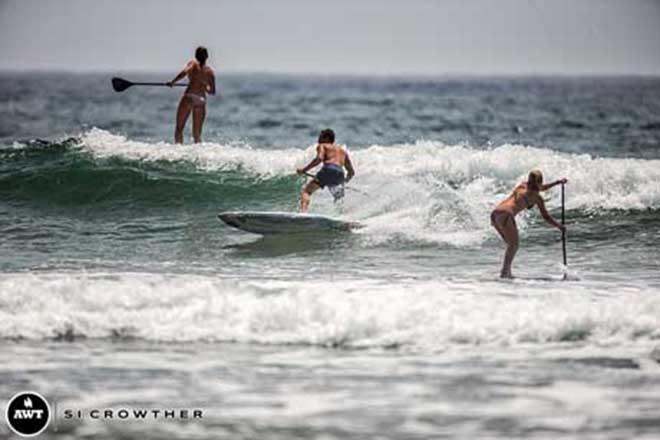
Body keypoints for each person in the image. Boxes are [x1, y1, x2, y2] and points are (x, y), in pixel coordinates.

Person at [491, 170, 567, 278]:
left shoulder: (522, 186)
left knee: (510, 244)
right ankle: (505, 272)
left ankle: (506, 271)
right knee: (514, 245)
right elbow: (546, 217)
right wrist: (559, 226)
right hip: (507, 214)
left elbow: (541, 187)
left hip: (495, 214)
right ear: (540, 182)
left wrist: (557, 183)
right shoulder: (537, 198)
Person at [296, 129, 355, 213]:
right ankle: (342, 215)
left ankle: (303, 213)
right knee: (338, 199)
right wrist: (344, 181)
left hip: (328, 169)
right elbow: (351, 172)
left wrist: (304, 170)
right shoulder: (343, 152)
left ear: (327, 138)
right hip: (340, 173)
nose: (318, 140)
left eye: (320, 137)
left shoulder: (323, 145)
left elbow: (319, 159)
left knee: (307, 191)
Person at [167, 46, 216, 144]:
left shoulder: (193, 64)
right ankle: (198, 154)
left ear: (196, 56)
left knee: (179, 128)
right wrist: (205, 87)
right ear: (207, 57)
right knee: (197, 134)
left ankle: (178, 151)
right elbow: (212, 91)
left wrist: (173, 82)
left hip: (189, 97)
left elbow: (184, 73)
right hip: (201, 100)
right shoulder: (210, 72)